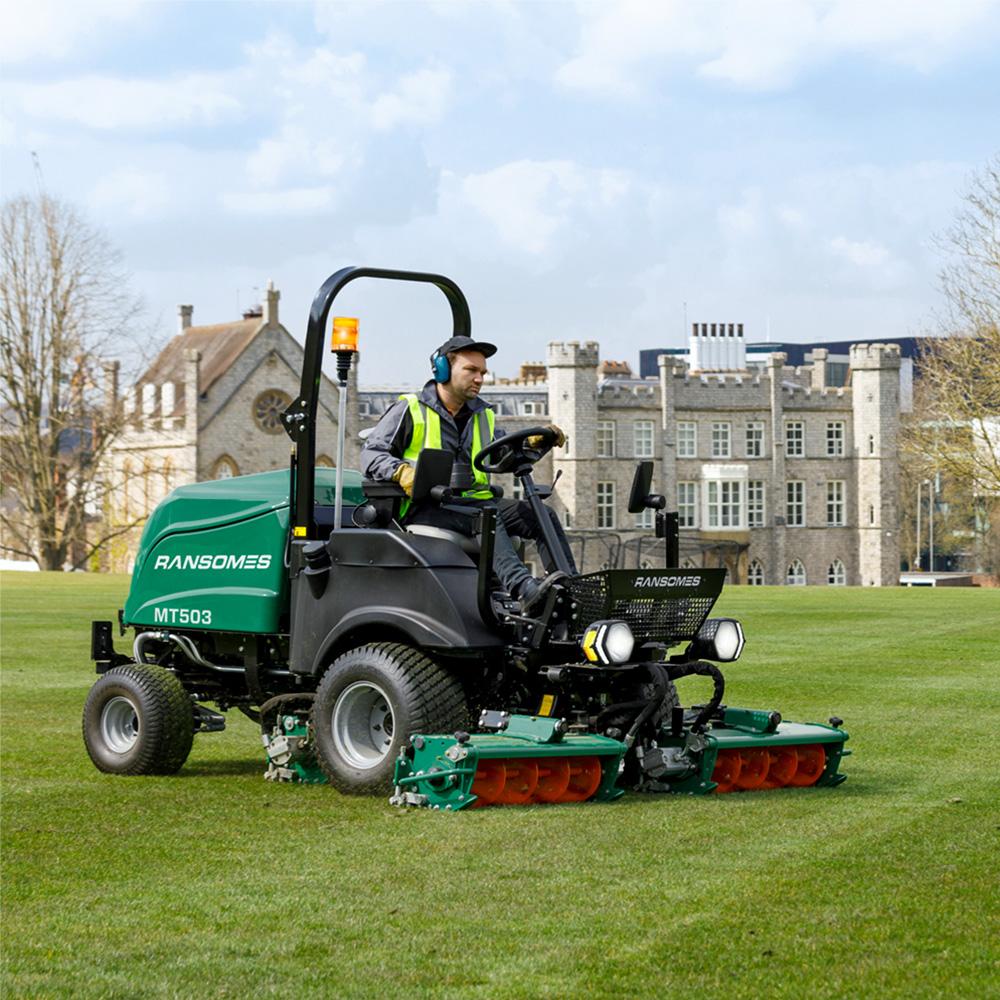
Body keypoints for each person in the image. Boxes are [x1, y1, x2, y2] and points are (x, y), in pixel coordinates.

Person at [360, 335, 578, 613]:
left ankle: (572, 590)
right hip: (426, 505)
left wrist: (533, 443)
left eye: (483, 372)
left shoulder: (482, 415)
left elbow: (501, 454)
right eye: (471, 370)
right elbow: (371, 454)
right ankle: (525, 591)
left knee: (542, 514)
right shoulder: (410, 409)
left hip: (474, 502)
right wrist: (402, 472)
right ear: (442, 369)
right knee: (487, 515)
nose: (479, 378)